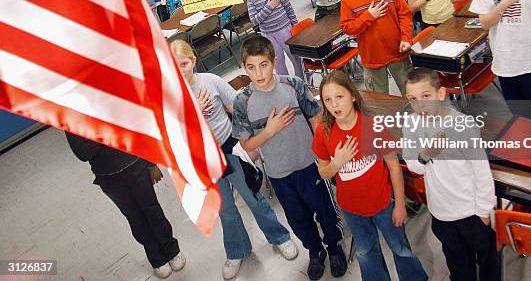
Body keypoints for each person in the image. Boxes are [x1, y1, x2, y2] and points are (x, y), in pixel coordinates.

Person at [170, 40, 298, 280]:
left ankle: (279, 236)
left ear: (193, 61)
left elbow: (236, 110)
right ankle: (237, 250)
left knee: (253, 197)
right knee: (225, 208)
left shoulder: (211, 81)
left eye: (184, 64)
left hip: (230, 148)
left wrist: (248, 143)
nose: (180, 70)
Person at [232, 35, 347, 281]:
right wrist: (269, 131)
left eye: (263, 65)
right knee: (297, 218)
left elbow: (316, 122)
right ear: (244, 67)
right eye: (251, 67)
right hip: (279, 174)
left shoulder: (293, 85)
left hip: (310, 165)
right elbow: (246, 143)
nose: (258, 73)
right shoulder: (242, 102)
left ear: (274, 61)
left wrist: (326, 159)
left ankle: (334, 247)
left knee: (325, 211)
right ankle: (315, 251)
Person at [312, 71, 428, 281]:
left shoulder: (373, 125)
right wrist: (337, 162)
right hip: (352, 210)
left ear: (353, 96)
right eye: (327, 99)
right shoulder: (324, 131)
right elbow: (323, 170)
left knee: (400, 248)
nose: (334, 105)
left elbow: (393, 166)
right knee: (366, 253)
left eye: (340, 96)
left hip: (384, 204)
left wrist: (400, 204)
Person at [402, 68, 498, 281]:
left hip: (471, 212)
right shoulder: (411, 124)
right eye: (413, 99)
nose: (421, 105)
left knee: (488, 263)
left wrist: (483, 211)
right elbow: (414, 166)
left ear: (441, 94)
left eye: (426, 96)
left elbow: (481, 171)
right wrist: (426, 154)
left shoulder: (463, 126)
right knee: (458, 265)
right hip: (441, 213)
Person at [65, 133, 185, 279]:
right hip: (109, 178)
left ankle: (171, 250)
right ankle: (156, 258)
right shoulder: (70, 117)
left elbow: (136, 130)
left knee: (152, 210)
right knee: (135, 218)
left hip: (136, 164)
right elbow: (83, 153)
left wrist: (151, 163)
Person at [340, 0, 414, 96]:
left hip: (397, 50)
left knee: (410, 93)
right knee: (380, 99)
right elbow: (348, 28)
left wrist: (406, 37)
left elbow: (404, 14)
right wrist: (369, 16)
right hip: (371, 57)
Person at [246, 0, 304, 79]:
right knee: (278, 62)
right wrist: (269, 6)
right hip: (268, 35)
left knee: (296, 58)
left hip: (285, 29)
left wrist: (295, 27)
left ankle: (303, 81)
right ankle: (286, 85)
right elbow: (254, 20)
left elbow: (289, 9)